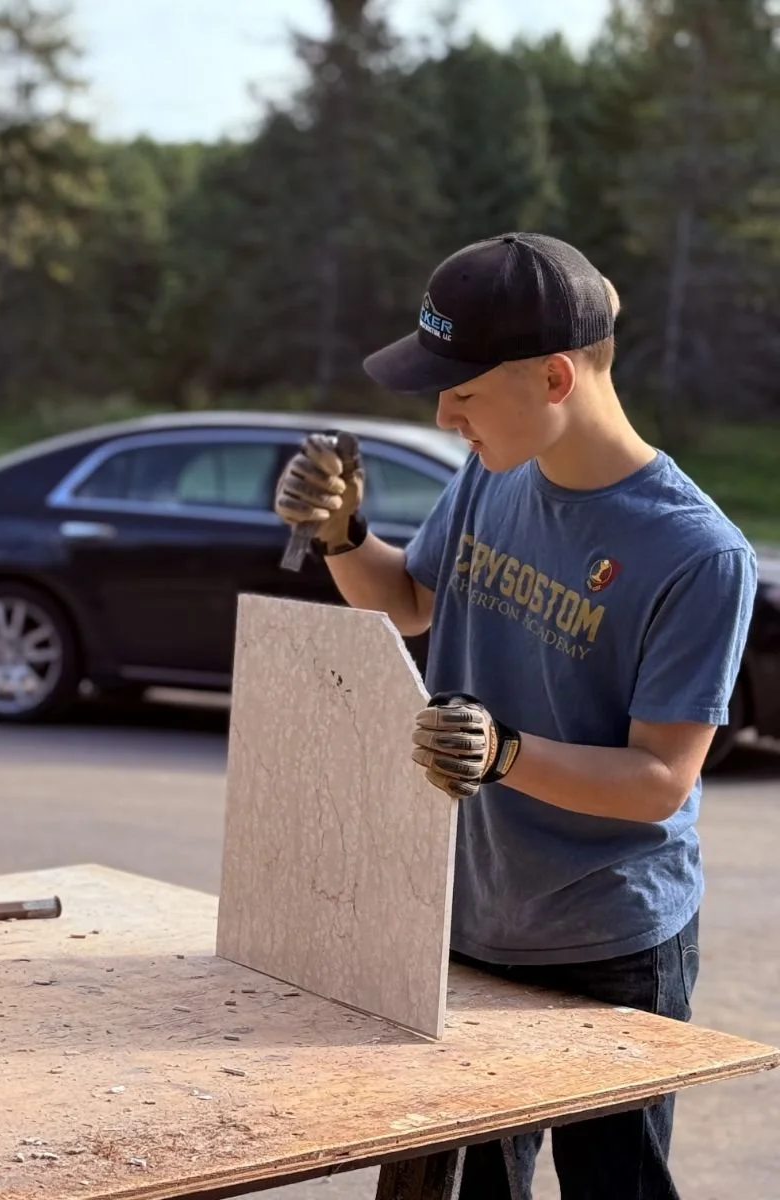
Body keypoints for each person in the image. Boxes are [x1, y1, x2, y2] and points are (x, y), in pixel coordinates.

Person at [272, 232, 756, 1199]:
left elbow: (661, 782)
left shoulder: (697, 554)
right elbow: (409, 603)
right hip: (466, 913)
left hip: (606, 942)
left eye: (463, 389)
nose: (444, 412)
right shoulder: (495, 475)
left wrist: (503, 753)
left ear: (554, 378)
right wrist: (340, 536)